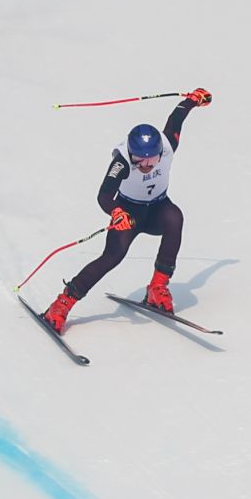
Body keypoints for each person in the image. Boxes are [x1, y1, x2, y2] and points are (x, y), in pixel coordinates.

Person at [40, 89, 212, 332]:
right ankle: (62, 303)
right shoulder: (121, 162)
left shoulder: (167, 145)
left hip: (157, 208)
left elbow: (176, 118)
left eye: (151, 159)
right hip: (129, 212)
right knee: (113, 256)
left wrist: (192, 100)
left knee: (175, 218)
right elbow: (103, 195)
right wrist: (116, 212)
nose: (145, 164)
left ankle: (157, 287)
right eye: (139, 159)